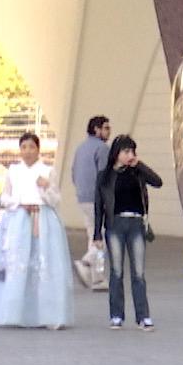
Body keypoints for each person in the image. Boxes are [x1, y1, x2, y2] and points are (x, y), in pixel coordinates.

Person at [0, 133, 74, 329]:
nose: (27, 151)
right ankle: (13, 312)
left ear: (38, 149)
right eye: (24, 147)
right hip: (18, 220)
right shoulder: (13, 171)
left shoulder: (47, 171)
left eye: (31, 147)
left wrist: (46, 188)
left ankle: (49, 313)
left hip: (43, 219)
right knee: (17, 265)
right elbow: (5, 198)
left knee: (44, 263)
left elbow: (55, 200)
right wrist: (19, 204)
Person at [94, 133, 162, 330]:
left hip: (136, 224)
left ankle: (143, 316)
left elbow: (157, 182)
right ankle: (116, 315)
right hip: (115, 225)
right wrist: (97, 233)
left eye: (132, 151)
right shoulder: (104, 176)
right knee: (116, 272)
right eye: (126, 151)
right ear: (116, 153)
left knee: (138, 273)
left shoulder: (137, 172)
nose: (130, 155)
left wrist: (139, 165)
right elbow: (99, 206)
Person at [70, 115, 111, 291]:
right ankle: (86, 262)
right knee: (103, 237)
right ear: (97, 129)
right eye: (106, 128)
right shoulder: (102, 148)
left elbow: (73, 172)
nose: (109, 131)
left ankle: (98, 278)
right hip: (97, 198)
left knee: (93, 235)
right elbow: (105, 175)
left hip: (82, 197)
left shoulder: (80, 148)